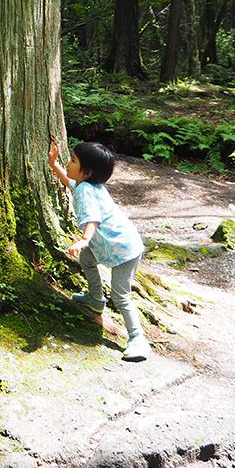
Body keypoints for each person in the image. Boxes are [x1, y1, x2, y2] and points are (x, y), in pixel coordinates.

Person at [48, 139, 151, 362]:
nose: (68, 162)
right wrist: (53, 164)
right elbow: (69, 183)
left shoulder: (86, 191)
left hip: (123, 251)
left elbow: (92, 219)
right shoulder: (88, 186)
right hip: (115, 245)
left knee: (121, 296)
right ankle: (95, 300)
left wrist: (84, 239)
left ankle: (137, 339)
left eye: (73, 160)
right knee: (87, 259)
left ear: (87, 172)